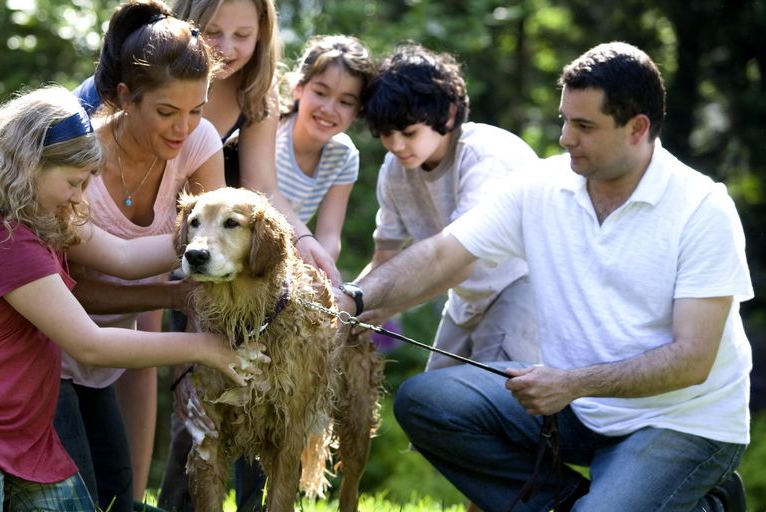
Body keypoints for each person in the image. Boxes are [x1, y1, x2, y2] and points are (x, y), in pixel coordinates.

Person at [337, 42, 751, 512]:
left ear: (637, 128)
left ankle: (706, 503)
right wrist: (353, 298)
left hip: (680, 422)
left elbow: (692, 359)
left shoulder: (702, 207)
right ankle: (570, 504)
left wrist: (573, 383)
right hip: (580, 411)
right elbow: (441, 256)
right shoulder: (542, 187)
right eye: (564, 120)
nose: (565, 138)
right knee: (427, 401)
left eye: (584, 126)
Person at [0, 85, 250, 510]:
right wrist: (206, 347)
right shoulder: (1, 238)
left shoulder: (37, 219)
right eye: (73, 182)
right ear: (27, 168)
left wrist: (213, 240)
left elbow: (125, 256)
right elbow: (89, 343)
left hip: (19, 431)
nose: (78, 196)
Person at [55, 2, 225, 510]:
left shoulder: (198, 144)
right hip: (44, 358)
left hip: (104, 360)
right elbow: (72, 293)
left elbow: (214, 248)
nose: (183, 128)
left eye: (196, 111)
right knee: (80, 502)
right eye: (167, 112)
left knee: (118, 502)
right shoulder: (78, 159)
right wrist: (173, 293)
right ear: (126, 97)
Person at [350, 43, 540, 374]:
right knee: (432, 397)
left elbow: (457, 263)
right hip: (466, 298)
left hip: (525, 285)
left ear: (449, 115)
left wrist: (387, 306)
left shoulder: (483, 158)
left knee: (489, 395)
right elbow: (384, 259)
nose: (396, 145)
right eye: (386, 134)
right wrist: (350, 302)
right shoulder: (394, 171)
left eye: (409, 132)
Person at [171, 0, 340, 284]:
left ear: (261, 32)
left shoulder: (256, 89)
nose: (225, 48)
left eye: (242, 35)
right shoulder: (160, 80)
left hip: (200, 235)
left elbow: (261, 186)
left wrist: (302, 238)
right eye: (212, 31)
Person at [275, 34, 374, 261]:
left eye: (345, 102)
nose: (329, 109)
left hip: (280, 260)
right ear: (299, 88)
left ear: (357, 110)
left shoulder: (344, 156)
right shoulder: (269, 132)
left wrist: (323, 271)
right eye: (320, 93)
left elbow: (329, 235)